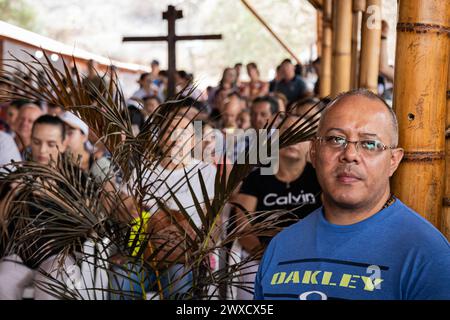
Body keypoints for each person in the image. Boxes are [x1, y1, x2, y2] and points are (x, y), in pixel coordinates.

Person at [254, 89, 450, 300]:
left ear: (393, 160)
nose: (349, 154)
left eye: (370, 144)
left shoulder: (426, 254)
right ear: (314, 151)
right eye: (336, 139)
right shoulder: (281, 247)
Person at [233, 115, 322, 299]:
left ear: (311, 144)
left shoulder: (320, 178)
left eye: (301, 134)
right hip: (262, 256)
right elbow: (242, 226)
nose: (294, 139)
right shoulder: (257, 177)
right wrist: (266, 256)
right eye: (288, 132)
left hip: (313, 255)